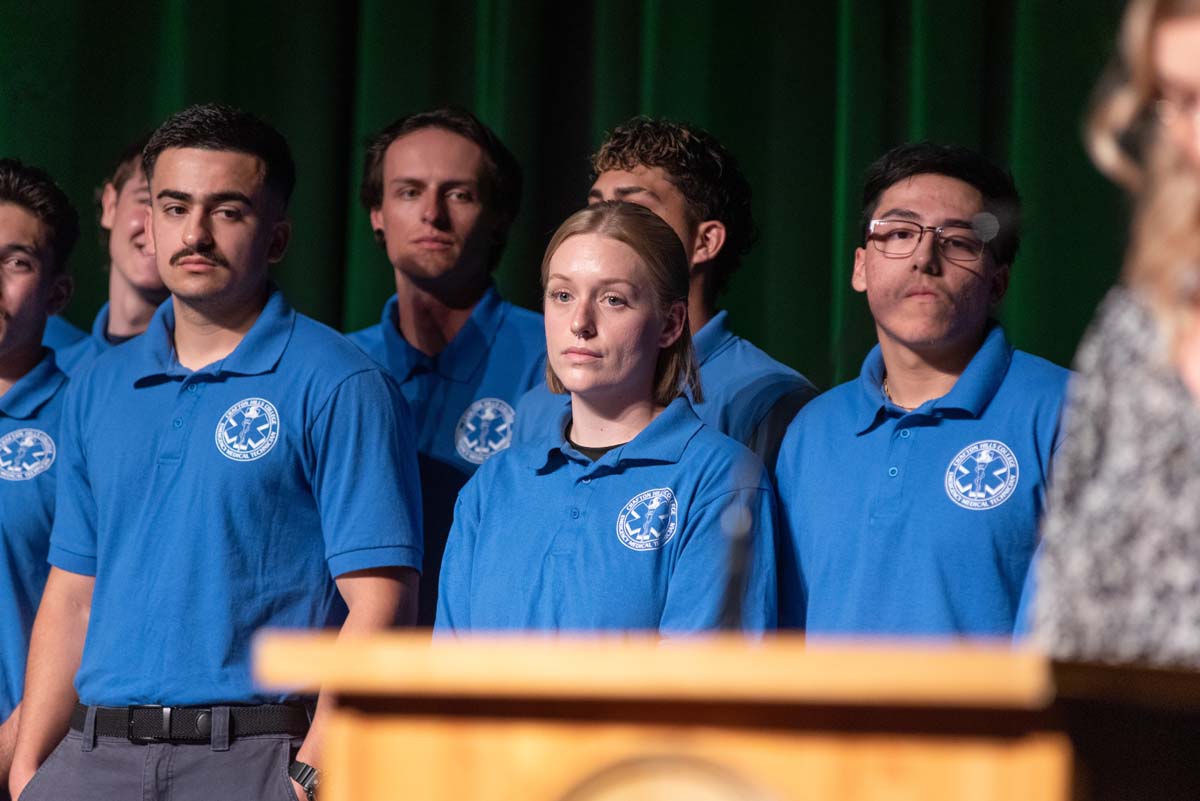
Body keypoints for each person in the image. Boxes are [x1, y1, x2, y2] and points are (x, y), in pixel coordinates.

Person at [9, 104, 422, 801]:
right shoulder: (97, 385)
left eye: (226, 210)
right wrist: (30, 770)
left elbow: (381, 600)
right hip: (92, 755)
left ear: (278, 235)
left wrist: (313, 769)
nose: (194, 232)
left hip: (253, 754)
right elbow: (73, 596)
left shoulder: (341, 381)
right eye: (174, 206)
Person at [435, 201, 777, 634]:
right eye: (562, 295)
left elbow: (703, 690)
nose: (580, 322)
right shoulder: (493, 485)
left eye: (613, 299)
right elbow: (447, 677)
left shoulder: (717, 478)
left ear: (671, 324)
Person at [775, 142, 1069, 636]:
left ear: (998, 282)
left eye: (957, 241)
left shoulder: (1066, 413)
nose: (924, 258)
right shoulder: (813, 430)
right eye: (898, 233)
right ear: (861, 267)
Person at [1032, 0, 1200, 666]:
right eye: (1178, 103)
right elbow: (1067, 583)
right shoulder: (1135, 325)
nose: (1191, 140)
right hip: (1128, 751)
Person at [514, 117, 817, 471]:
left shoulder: (769, 399)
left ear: (705, 241)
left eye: (636, 211)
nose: (608, 227)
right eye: (597, 207)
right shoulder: (541, 405)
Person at [349, 107, 544, 623]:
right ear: (377, 213)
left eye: (459, 194)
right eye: (409, 192)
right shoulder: (338, 371)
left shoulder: (559, 355)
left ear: (498, 215)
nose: (432, 214)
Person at [0, 159, 76, 799]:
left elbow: (93, 618)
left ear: (57, 292)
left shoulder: (85, 423)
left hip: (33, 766)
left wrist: (14, 752)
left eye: (15, 262)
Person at [56, 135, 169, 374]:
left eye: (176, 209)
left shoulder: (208, 371)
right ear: (110, 205)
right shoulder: (61, 373)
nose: (156, 224)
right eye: (146, 200)